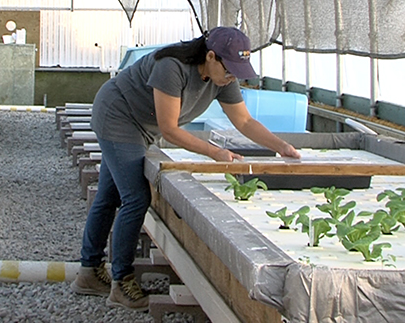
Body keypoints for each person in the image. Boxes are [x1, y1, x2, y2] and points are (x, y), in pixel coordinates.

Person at [70, 27, 301, 312]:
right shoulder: (172, 67)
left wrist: (281, 147)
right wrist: (215, 152)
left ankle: (88, 272)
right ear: (211, 56)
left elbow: (244, 122)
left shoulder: (223, 78)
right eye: (230, 69)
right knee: (136, 197)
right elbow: (170, 129)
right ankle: (121, 281)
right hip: (118, 116)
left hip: (141, 126)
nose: (233, 77)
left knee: (110, 193)